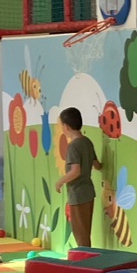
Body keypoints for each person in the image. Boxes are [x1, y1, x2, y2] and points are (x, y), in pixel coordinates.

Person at [55, 106, 101, 248]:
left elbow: (75, 171)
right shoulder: (87, 142)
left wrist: (60, 182)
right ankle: (86, 256)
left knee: (80, 234)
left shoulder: (73, 146)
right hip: (88, 192)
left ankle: (85, 258)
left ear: (66, 127)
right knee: (85, 232)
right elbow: (97, 165)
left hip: (77, 194)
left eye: (62, 126)